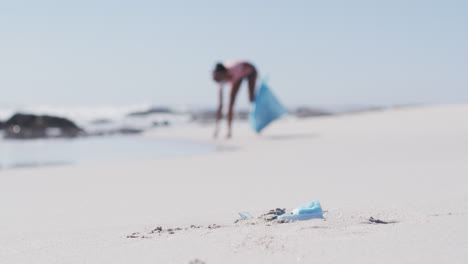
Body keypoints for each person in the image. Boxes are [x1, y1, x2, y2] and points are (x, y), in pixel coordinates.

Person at [212, 60, 257, 138]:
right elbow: (220, 104)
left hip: (250, 71)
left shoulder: (234, 70)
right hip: (233, 74)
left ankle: (229, 131)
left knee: (250, 98)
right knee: (222, 105)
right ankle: (224, 130)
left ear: (222, 74)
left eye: (217, 77)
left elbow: (232, 99)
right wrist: (217, 130)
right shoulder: (220, 79)